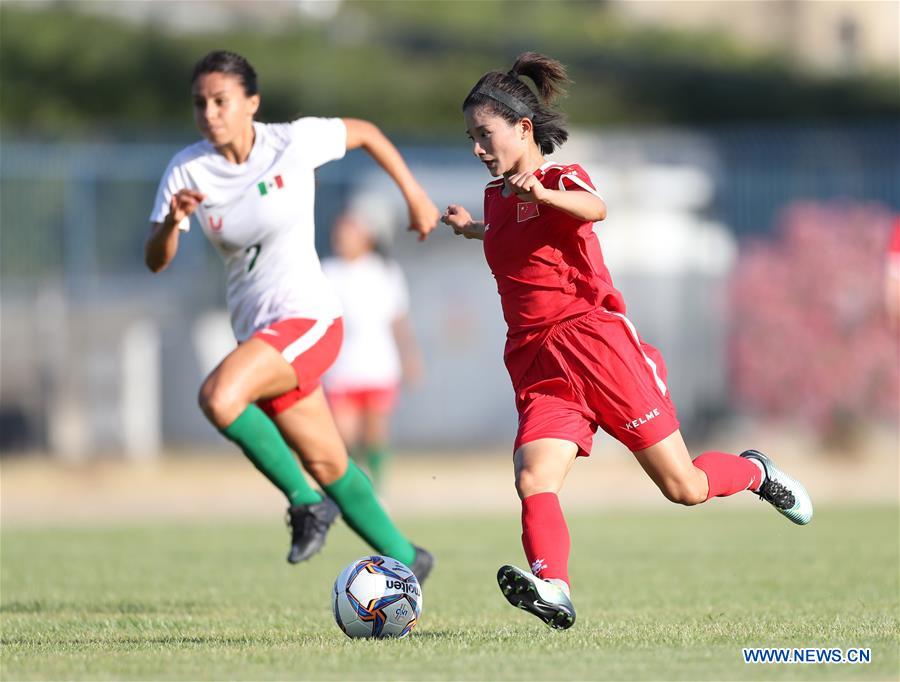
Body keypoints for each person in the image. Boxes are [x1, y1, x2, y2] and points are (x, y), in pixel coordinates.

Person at [440, 52, 813, 629]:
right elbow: (516, 238)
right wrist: (473, 228)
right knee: (534, 478)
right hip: (537, 360)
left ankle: (757, 473)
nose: (476, 149)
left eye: (483, 135)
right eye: (470, 137)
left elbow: (595, 207)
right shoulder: (496, 196)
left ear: (522, 128)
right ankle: (553, 587)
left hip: (597, 347)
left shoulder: (559, 180)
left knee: (684, 486)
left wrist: (542, 195)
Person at [145, 50, 438, 582]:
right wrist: (171, 222)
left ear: (251, 104)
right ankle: (408, 557)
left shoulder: (290, 142)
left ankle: (305, 502)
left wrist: (414, 196)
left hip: (310, 321)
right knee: (331, 465)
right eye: (199, 104)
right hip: (262, 337)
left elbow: (368, 133)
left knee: (219, 396)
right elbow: (154, 260)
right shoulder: (187, 169)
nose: (209, 113)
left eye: (220, 101)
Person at [321, 211, 423, 492]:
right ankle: (354, 486)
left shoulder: (384, 272)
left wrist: (409, 358)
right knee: (344, 433)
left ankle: (379, 488)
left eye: (348, 234)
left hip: (379, 363)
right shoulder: (327, 271)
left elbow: (398, 320)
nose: (341, 239)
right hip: (340, 365)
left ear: (365, 238)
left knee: (375, 433)